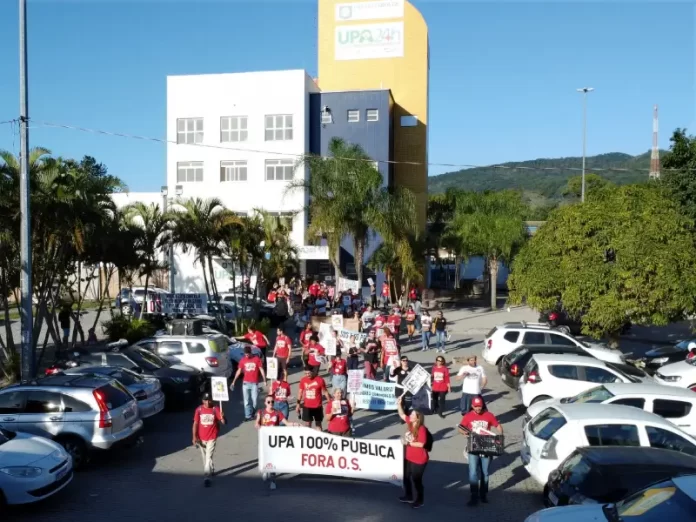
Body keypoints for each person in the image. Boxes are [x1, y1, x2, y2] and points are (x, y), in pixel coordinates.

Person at [458, 396, 503, 506]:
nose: (478, 408)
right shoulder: (468, 416)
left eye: (479, 406)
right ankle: (474, 495)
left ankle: (483, 494)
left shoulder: (489, 415)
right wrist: (464, 433)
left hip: (486, 448)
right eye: (476, 406)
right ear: (472, 406)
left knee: (485, 473)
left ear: (482, 405)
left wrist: (500, 438)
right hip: (473, 447)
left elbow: (498, 426)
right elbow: (460, 428)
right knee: (473, 472)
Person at [256, 395, 300, 490]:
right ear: (265, 403)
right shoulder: (261, 412)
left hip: (274, 441)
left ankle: (272, 480)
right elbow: (257, 422)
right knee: (264, 457)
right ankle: (265, 469)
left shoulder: (277, 413)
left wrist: (295, 424)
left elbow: (287, 423)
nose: (270, 403)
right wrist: (257, 425)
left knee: (273, 461)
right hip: (264, 438)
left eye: (272, 402)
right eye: (268, 402)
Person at [397, 395, 428, 509]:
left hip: (419, 459)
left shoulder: (421, 429)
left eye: (413, 414)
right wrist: (399, 404)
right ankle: (409, 496)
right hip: (409, 457)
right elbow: (402, 415)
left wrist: (408, 444)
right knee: (405, 477)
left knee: (416, 480)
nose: (410, 415)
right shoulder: (410, 423)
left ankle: (420, 500)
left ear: (418, 418)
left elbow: (421, 444)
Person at [192, 392, 226, 487]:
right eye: (205, 400)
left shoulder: (215, 409)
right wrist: (194, 436)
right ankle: (211, 469)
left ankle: (207, 476)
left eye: (209, 400)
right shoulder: (199, 410)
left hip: (212, 437)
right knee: (205, 457)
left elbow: (223, 422)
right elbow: (195, 424)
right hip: (201, 438)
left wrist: (223, 418)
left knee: (208, 457)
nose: (207, 402)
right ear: (202, 400)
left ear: (212, 400)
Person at [230, 345, 267, 421]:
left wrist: (264, 380)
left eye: (248, 354)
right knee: (246, 401)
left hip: (254, 383)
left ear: (251, 353)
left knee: (255, 401)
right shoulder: (243, 360)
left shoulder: (256, 359)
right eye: (245, 354)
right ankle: (248, 416)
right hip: (245, 383)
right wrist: (233, 381)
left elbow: (261, 369)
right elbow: (239, 371)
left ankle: (253, 412)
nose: (246, 356)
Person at [296, 366, 331, 430]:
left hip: (317, 406)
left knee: (318, 424)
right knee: (308, 424)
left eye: (309, 373)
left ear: (313, 372)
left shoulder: (320, 380)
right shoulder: (303, 380)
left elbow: (325, 392)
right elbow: (300, 392)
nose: (307, 375)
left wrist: (330, 402)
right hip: (307, 406)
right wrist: (298, 404)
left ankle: (319, 437)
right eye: (306, 373)